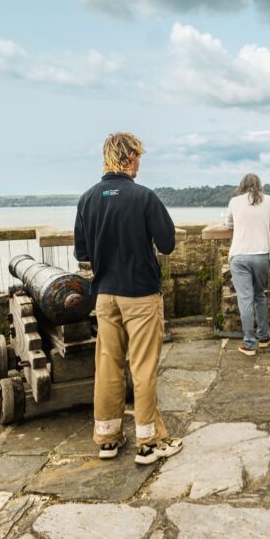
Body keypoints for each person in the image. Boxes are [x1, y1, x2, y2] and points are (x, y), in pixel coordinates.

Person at [73, 132, 182, 464]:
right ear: (129, 157)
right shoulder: (144, 197)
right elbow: (167, 243)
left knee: (108, 364)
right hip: (140, 294)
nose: (139, 164)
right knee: (143, 367)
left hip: (105, 295)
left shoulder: (88, 199)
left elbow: (82, 253)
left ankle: (107, 438)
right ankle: (149, 442)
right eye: (138, 158)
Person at [226, 173, 270, 355]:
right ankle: (263, 336)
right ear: (259, 185)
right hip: (262, 254)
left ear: (242, 185)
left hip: (240, 255)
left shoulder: (234, 202)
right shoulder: (269, 200)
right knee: (260, 295)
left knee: (245, 299)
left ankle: (249, 343)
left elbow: (228, 223)